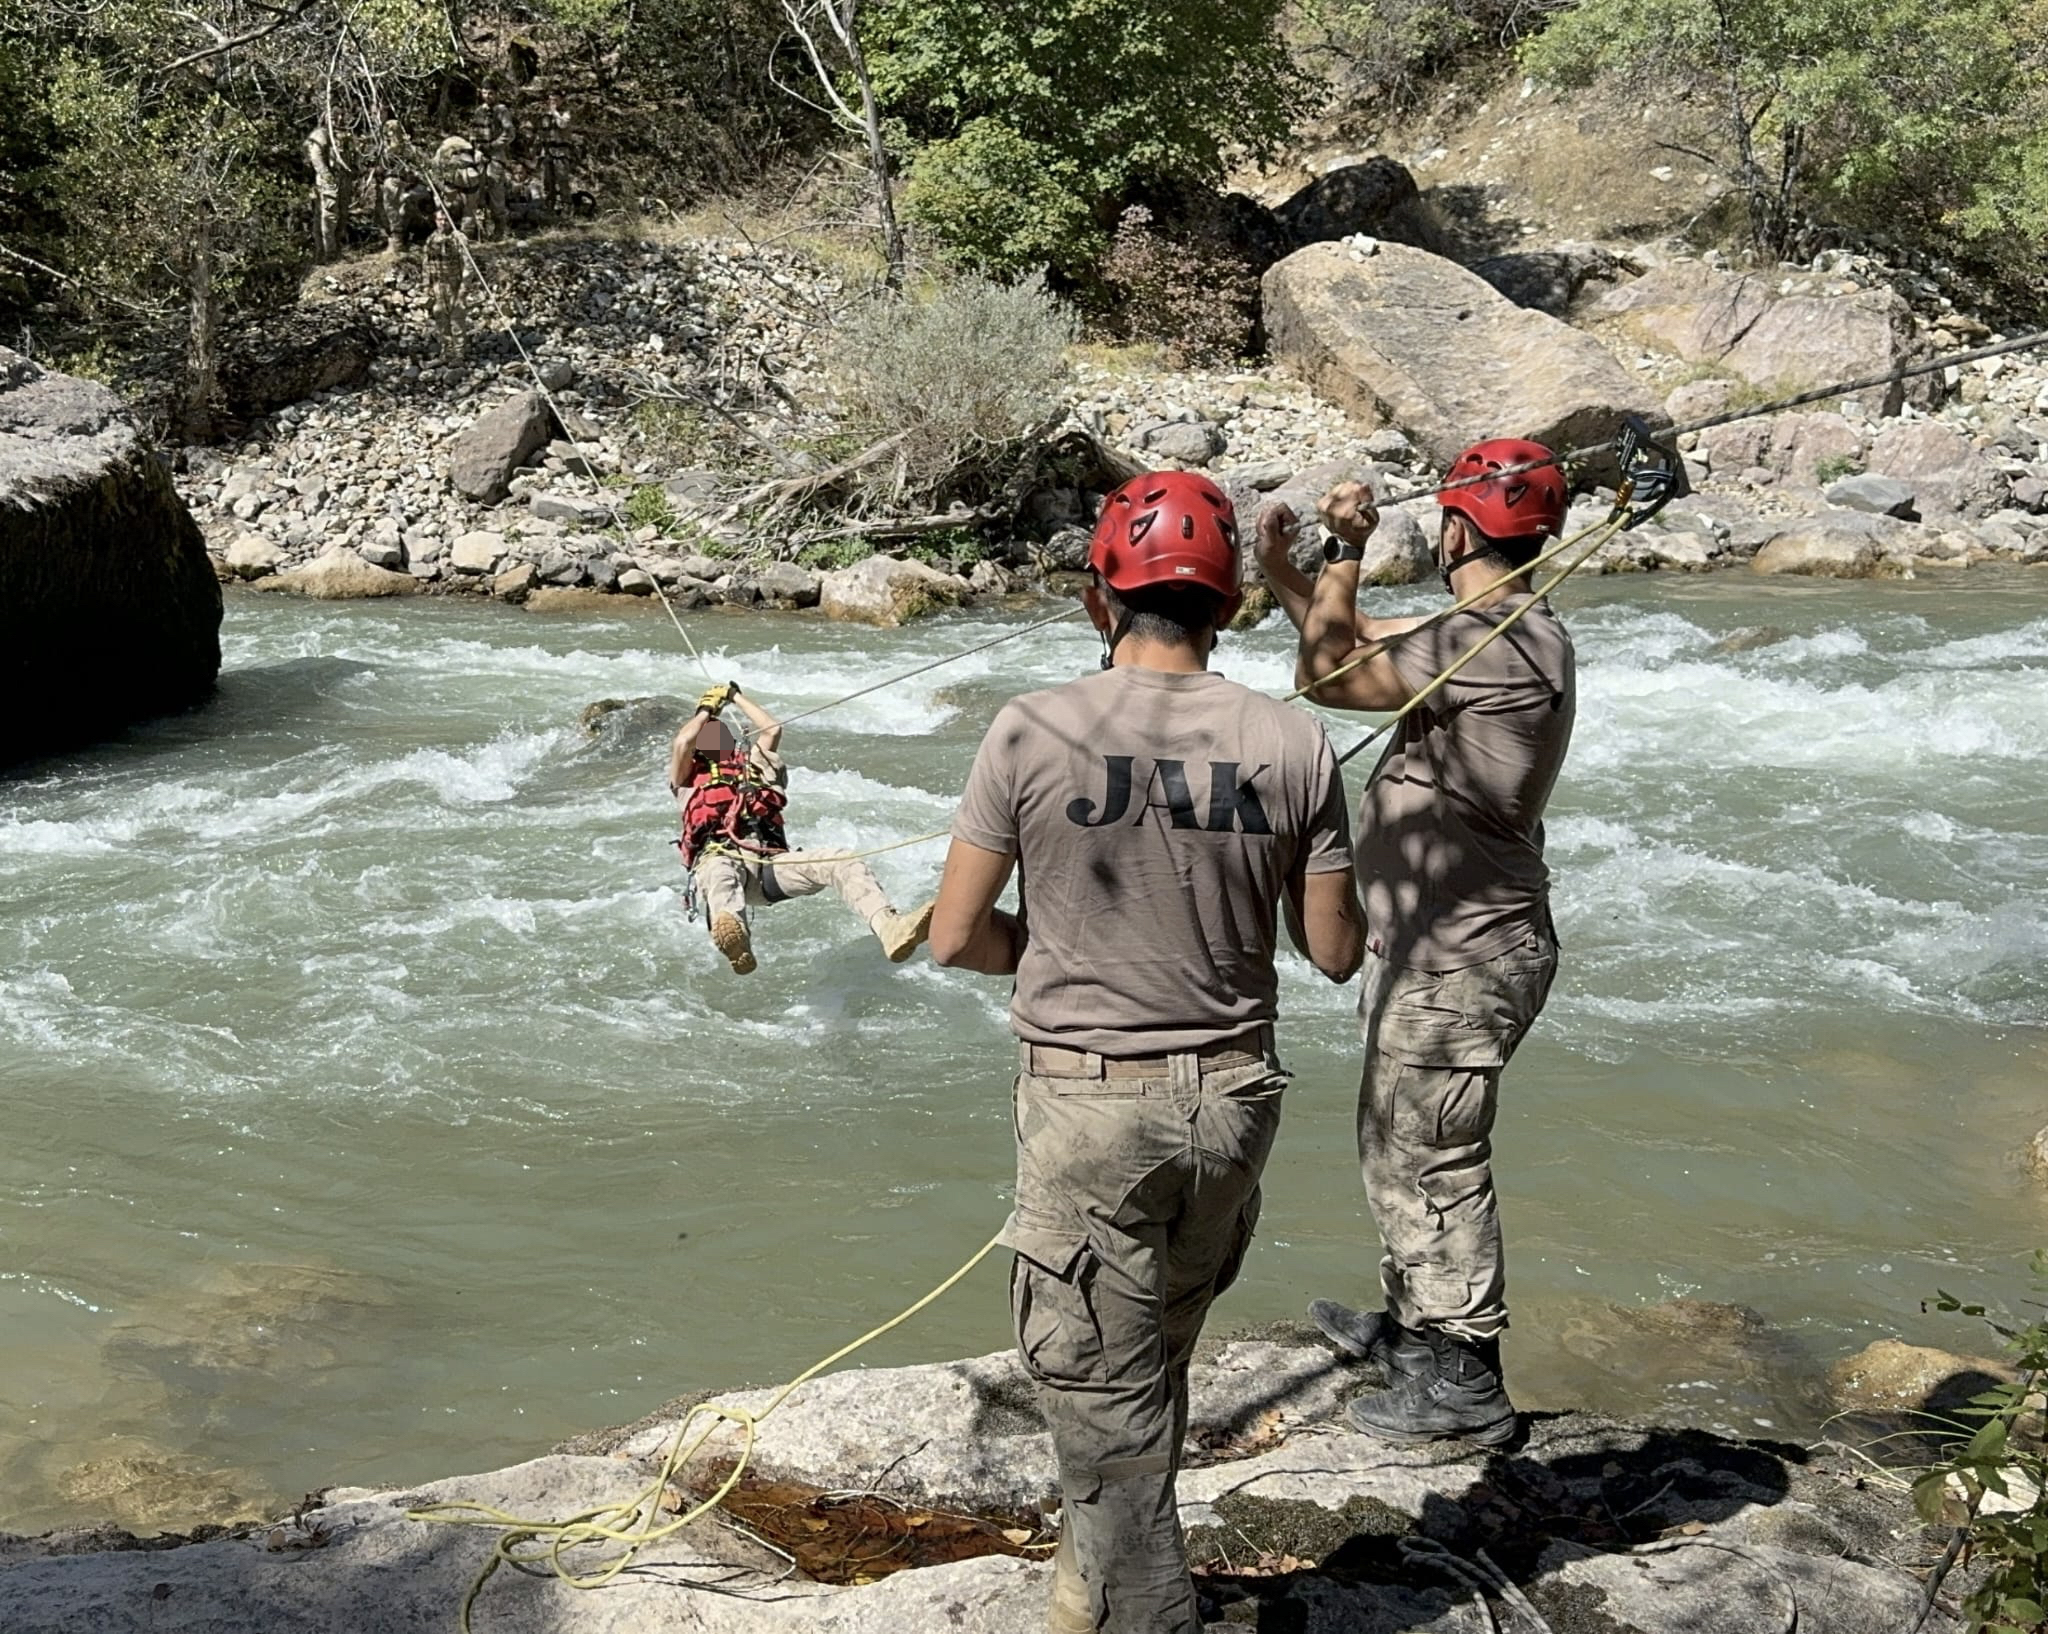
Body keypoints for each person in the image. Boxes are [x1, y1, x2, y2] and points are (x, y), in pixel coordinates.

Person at [931, 471, 1364, 1633]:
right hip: (1231, 1109)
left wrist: (1049, 939)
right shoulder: (1295, 738)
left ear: (1096, 602)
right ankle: (1086, 1590)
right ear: (1227, 609)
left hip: (1087, 1111)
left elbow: (955, 933)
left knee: (1100, 1396)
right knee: (1148, 1363)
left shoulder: (1030, 725)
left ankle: (1142, 1609)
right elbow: (1332, 950)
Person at [1256, 440, 1576, 1448]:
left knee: (1431, 1154)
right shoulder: (1502, 629)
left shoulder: (1494, 644)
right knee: (1395, 1142)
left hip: (1462, 953)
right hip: (1450, 943)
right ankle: (1416, 1329)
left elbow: (1325, 672)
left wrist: (1345, 548)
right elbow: (1348, 634)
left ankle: (1465, 1376)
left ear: (1454, 529)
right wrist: (1286, 567)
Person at [670, 682, 934, 974]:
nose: (714, 733)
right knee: (720, 873)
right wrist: (706, 709)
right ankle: (736, 939)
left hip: (769, 862)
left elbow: (772, 729)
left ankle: (890, 928)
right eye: (708, 733)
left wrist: (735, 696)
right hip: (718, 856)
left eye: (720, 731)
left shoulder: (753, 765)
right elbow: (683, 742)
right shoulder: (686, 777)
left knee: (840, 860)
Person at [423, 210, 469, 363]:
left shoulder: (459, 238)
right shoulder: (431, 239)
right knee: (440, 316)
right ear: (435, 221)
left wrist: (463, 287)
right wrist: (426, 285)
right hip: (438, 284)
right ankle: (446, 352)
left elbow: (468, 264)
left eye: (445, 220)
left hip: (454, 283)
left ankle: (459, 354)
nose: (443, 223)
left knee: (457, 317)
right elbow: (426, 263)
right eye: (439, 220)